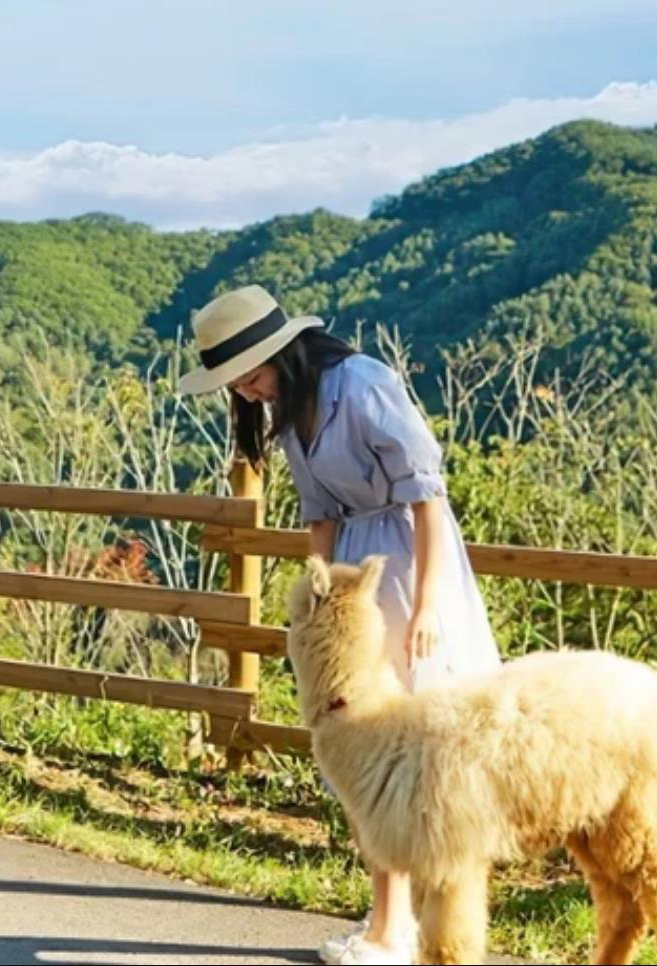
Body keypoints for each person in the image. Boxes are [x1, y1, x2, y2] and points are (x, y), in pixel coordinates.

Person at [178, 285, 502, 965]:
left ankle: (400, 927)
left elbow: (426, 493)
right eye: (238, 384)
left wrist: (426, 605)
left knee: (411, 742)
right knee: (362, 739)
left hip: (411, 560)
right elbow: (319, 515)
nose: (249, 392)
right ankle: (393, 920)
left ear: (285, 353)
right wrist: (318, 600)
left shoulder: (362, 383)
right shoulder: (292, 412)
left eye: (253, 376)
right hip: (353, 569)